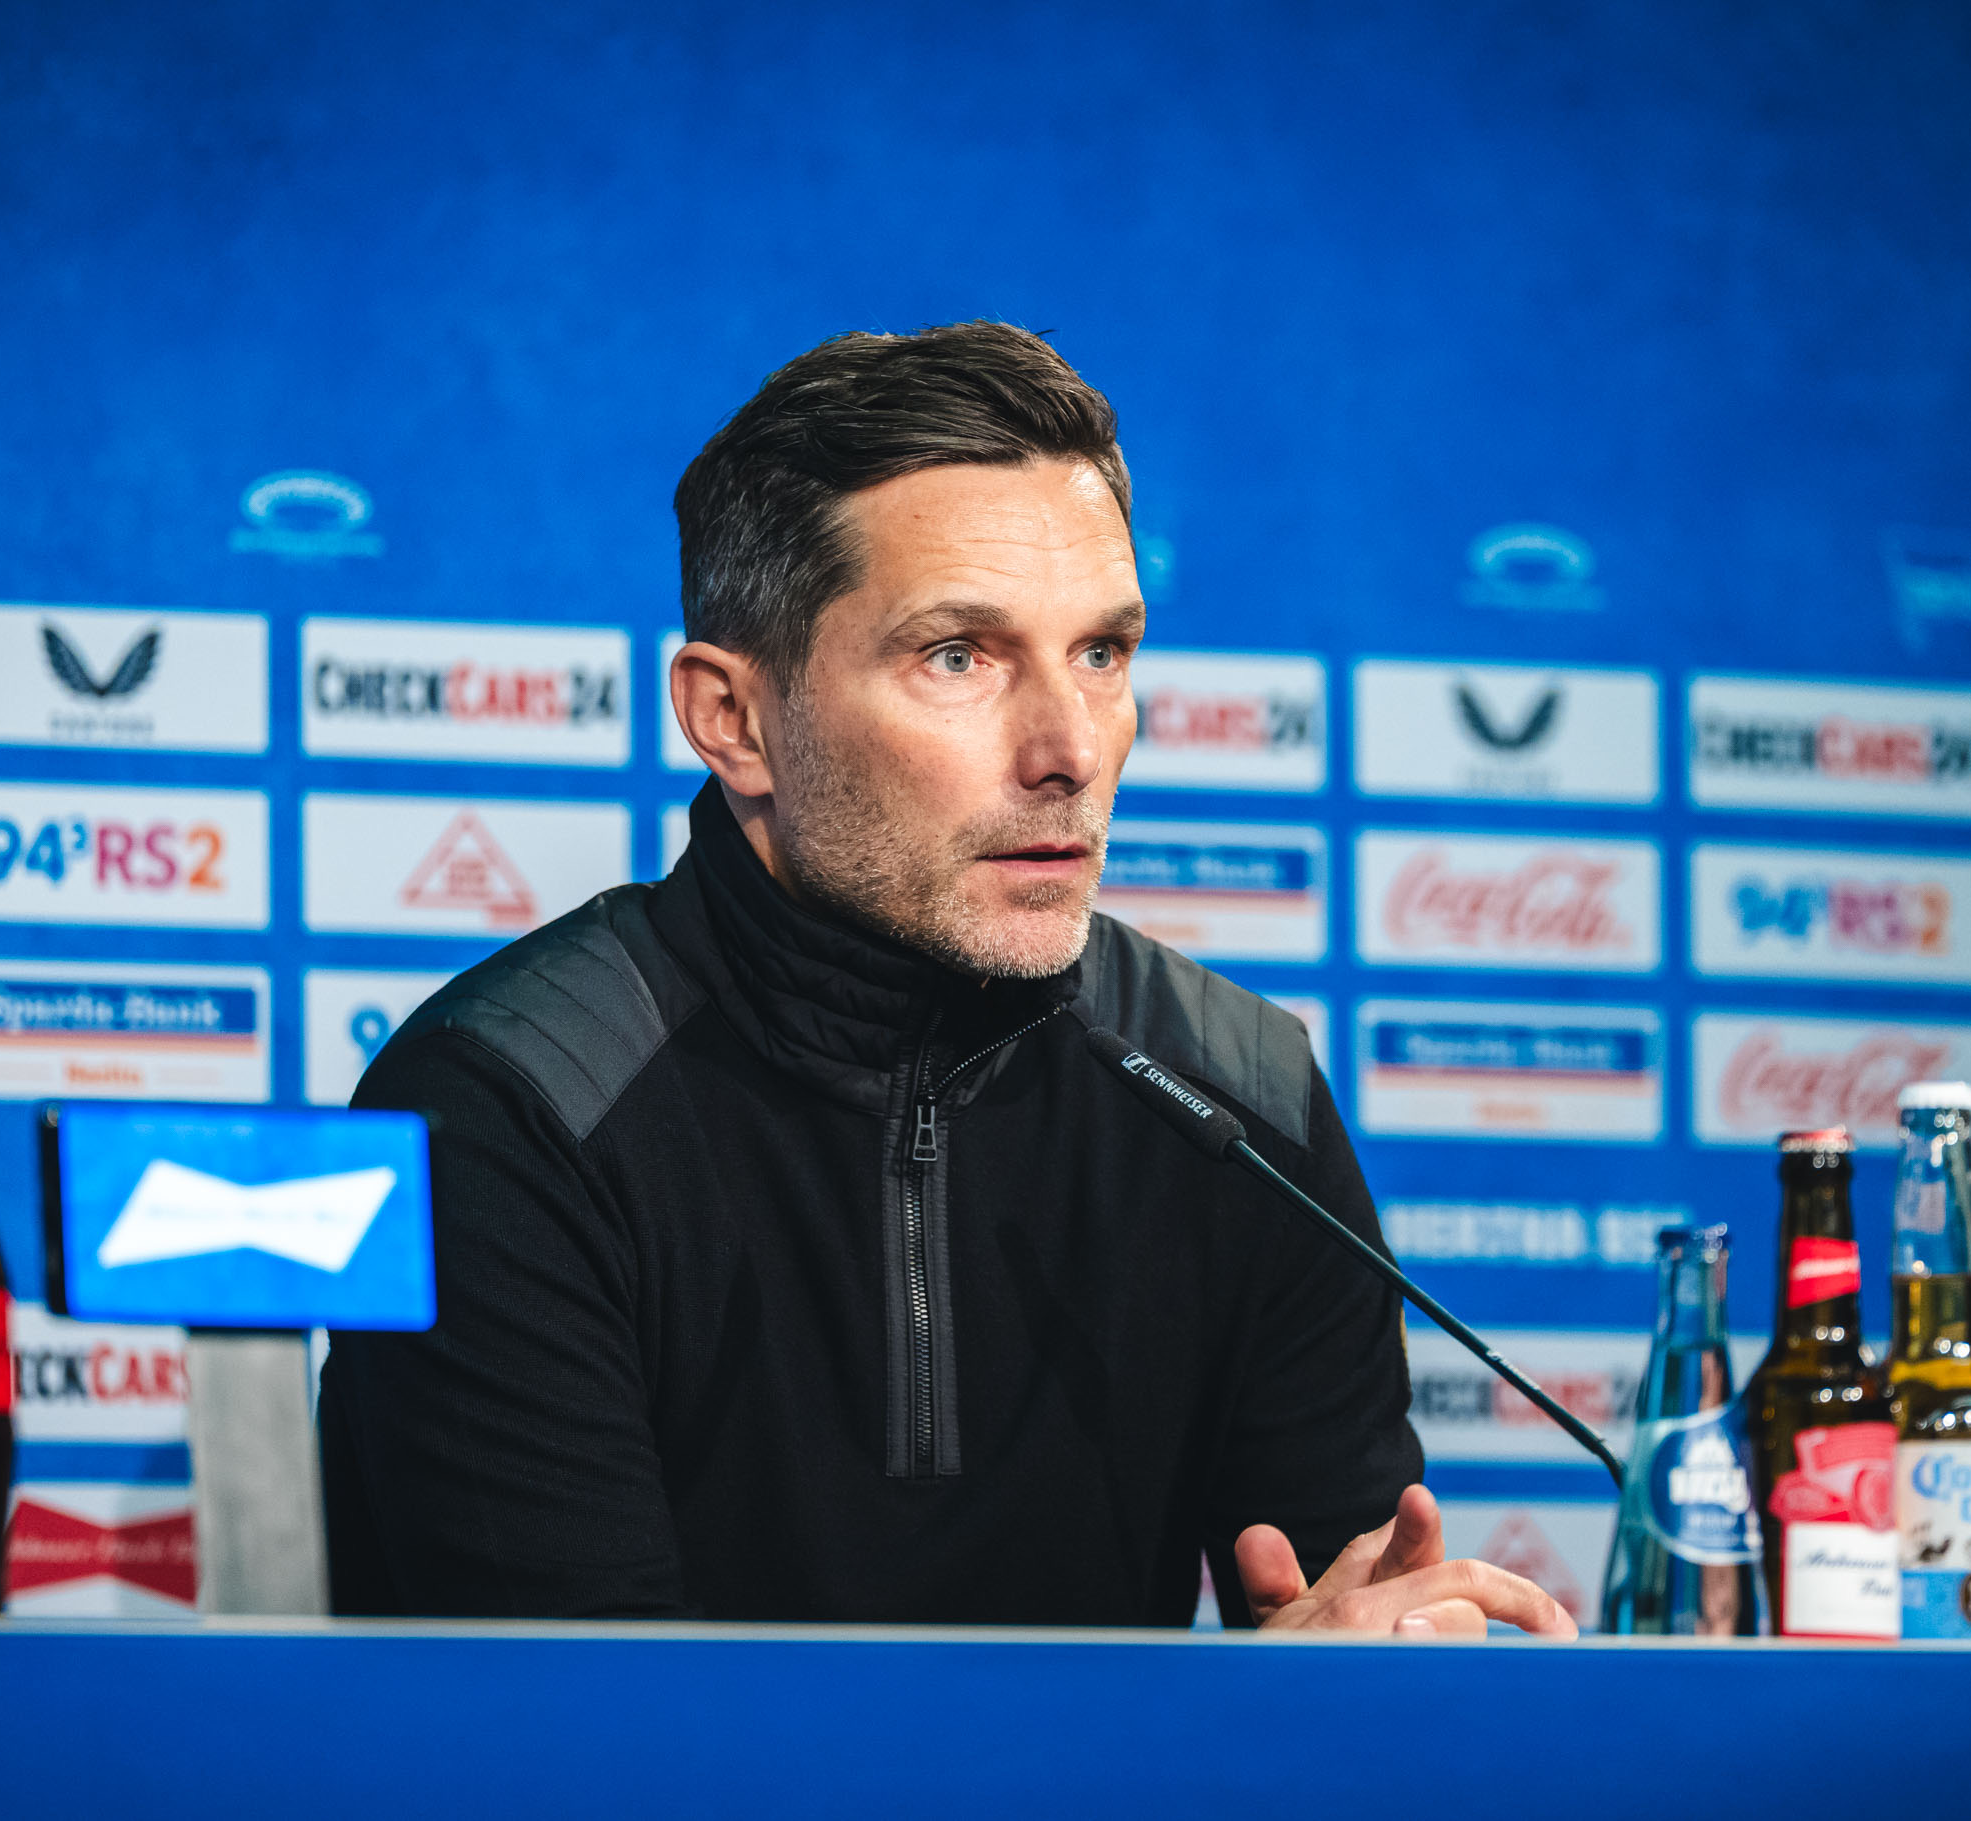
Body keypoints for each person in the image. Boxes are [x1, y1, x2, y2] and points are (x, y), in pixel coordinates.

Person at [321, 322, 1573, 1638]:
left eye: (1102, 653)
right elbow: (581, 1730)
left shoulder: (1242, 1097)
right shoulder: (508, 1107)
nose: (1069, 750)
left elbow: (1342, 1644)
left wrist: (1360, 1687)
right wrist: (1232, 1723)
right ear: (734, 719)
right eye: (959, 656)